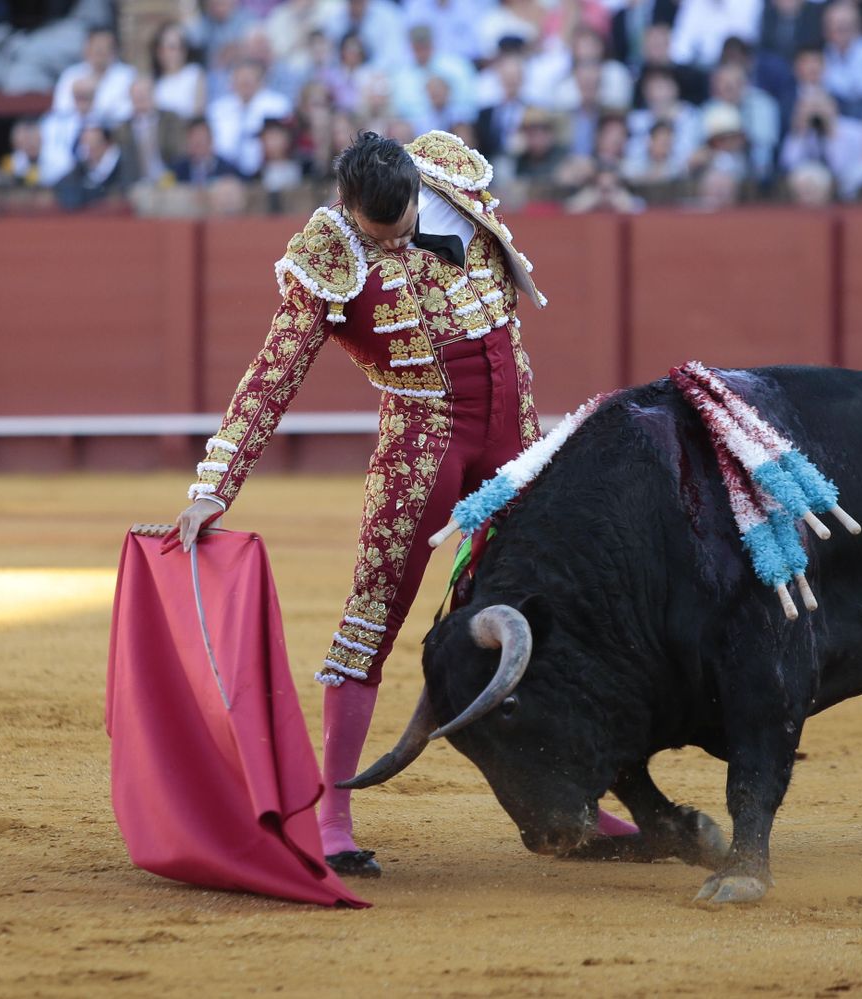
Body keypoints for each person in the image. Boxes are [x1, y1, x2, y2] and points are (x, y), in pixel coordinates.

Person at [173, 130, 633, 877]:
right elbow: (272, 373)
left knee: (551, 612)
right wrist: (211, 488)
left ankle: (579, 799)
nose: (393, 243)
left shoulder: (451, 174)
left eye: (403, 227)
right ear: (345, 206)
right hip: (425, 443)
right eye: (376, 235)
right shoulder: (328, 252)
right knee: (373, 615)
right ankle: (332, 815)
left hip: (516, 435)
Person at [52, 26, 138, 122]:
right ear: (87, 49)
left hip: (116, 132)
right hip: (77, 131)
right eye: (96, 47)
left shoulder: (127, 75)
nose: (99, 51)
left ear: (114, 51)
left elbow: (128, 110)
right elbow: (62, 107)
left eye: (104, 48)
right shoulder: (71, 75)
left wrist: (90, 111)